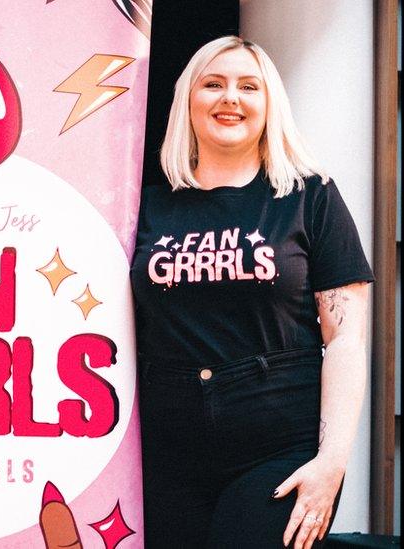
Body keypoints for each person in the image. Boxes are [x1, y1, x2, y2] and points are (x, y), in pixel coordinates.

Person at [131, 36, 373, 549]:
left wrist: (332, 464)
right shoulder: (144, 207)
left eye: (248, 86)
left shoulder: (311, 198)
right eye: (213, 84)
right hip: (166, 454)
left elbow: (347, 342)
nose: (230, 98)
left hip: (280, 449)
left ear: (270, 105)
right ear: (186, 100)